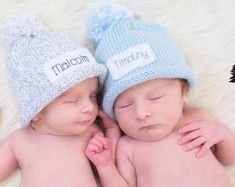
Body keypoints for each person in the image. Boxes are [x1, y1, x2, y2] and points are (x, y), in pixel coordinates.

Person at [85, 3, 235, 187]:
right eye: (125, 105)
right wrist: (106, 166)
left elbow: (229, 160)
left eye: (155, 98)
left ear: (184, 93)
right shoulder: (128, 147)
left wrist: (224, 135)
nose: (141, 113)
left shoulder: (199, 120)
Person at [0, 12, 116, 187]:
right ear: (37, 110)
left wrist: (112, 133)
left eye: (92, 96)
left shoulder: (90, 133)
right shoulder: (19, 140)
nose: (90, 107)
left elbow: (111, 167)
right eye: (72, 101)